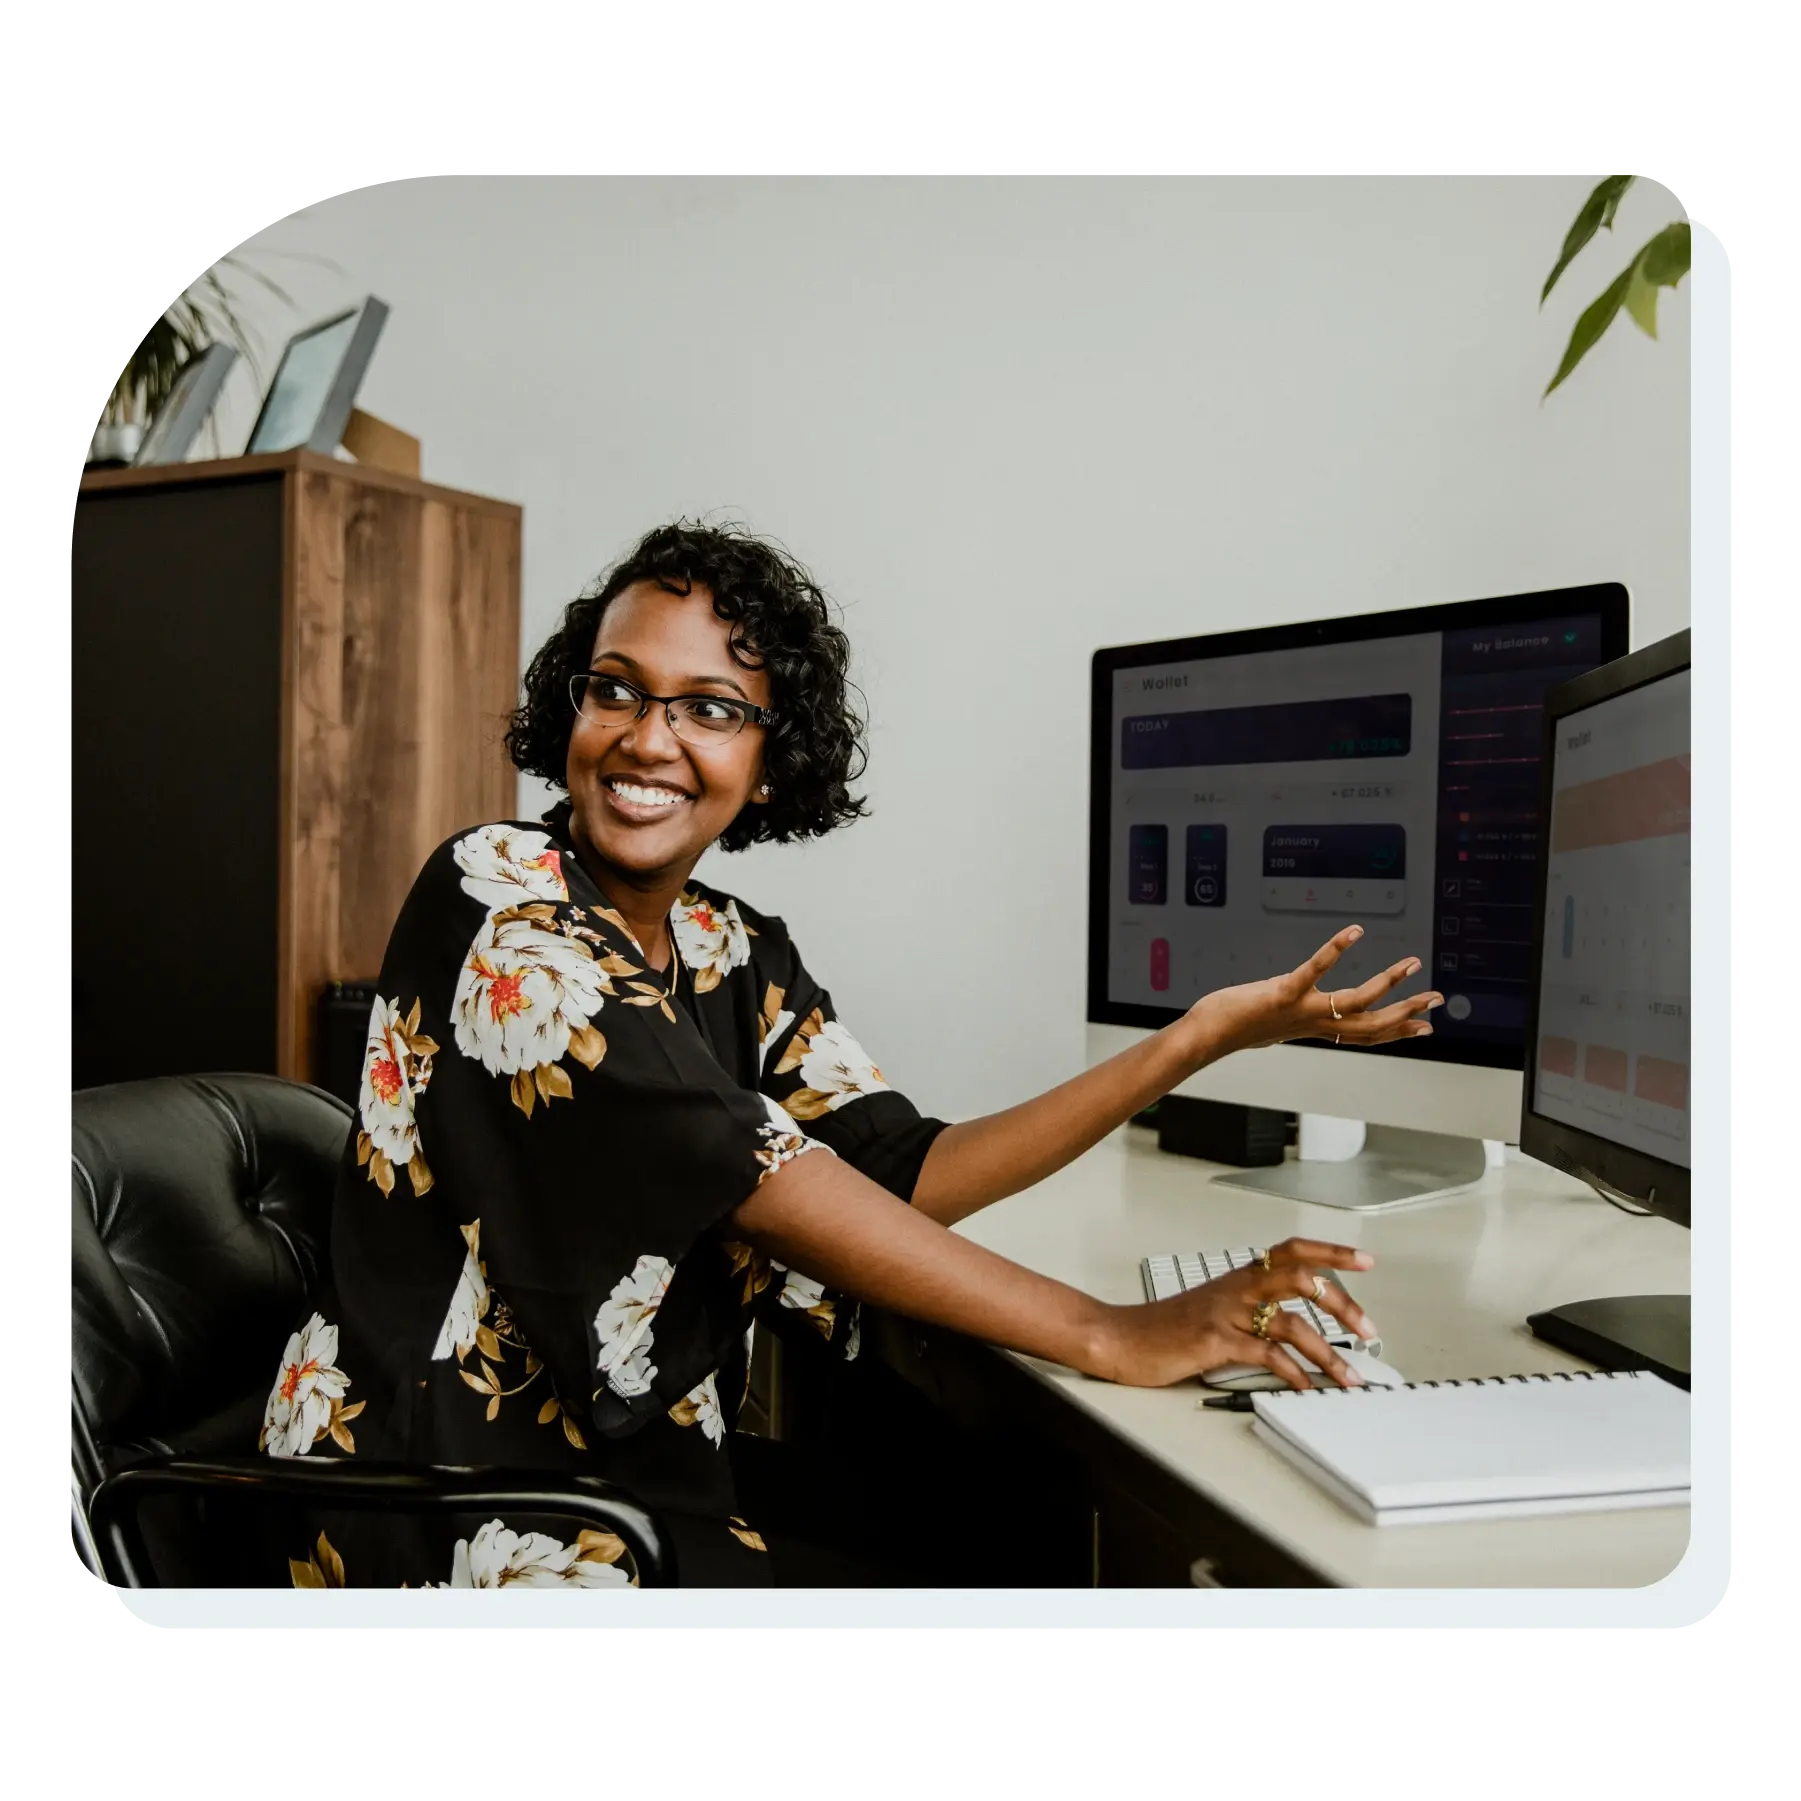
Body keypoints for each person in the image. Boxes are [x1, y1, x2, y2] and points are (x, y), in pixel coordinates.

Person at [253, 521, 1441, 1589]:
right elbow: (759, 1178)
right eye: (614, 690)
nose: (648, 737)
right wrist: (1109, 1330)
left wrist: (1190, 1041)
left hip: (631, 1468)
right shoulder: (496, 893)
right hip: (444, 1494)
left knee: (1010, 1534)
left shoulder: (731, 947)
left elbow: (901, 1166)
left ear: (768, 763)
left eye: (710, 707)